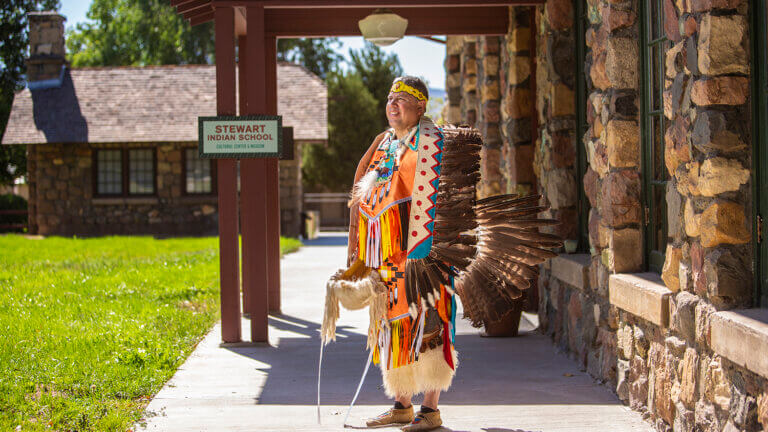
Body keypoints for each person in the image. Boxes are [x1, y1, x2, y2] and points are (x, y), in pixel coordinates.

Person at [346, 76, 455, 432]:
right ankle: (401, 405)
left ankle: (431, 411)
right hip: (388, 260)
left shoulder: (433, 143)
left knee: (429, 326)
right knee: (393, 327)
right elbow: (362, 193)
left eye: (403, 100)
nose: (393, 105)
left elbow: (449, 199)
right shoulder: (384, 143)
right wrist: (358, 247)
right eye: (390, 99)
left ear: (421, 106)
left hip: (425, 255)